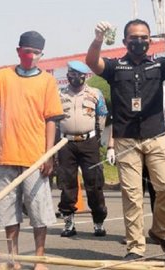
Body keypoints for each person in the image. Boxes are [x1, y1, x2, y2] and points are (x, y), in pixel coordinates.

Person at [86, 19, 165, 260]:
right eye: (134, 38)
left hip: (157, 137)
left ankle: (161, 232)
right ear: (124, 42)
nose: (139, 42)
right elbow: (92, 62)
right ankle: (135, 247)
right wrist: (98, 40)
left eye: (144, 38)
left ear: (150, 41)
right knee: (132, 196)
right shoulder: (115, 67)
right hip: (126, 140)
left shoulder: (158, 65)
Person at [0, 31, 64, 270]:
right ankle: (14, 259)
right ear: (18, 51)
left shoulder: (47, 81)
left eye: (36, 53)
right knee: (9, 212)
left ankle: (39, 259)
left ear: (42, 55)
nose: (31, 56)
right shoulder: (3, 76)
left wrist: (48, 155)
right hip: (5, 155)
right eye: (27, 51)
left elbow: (51, 120)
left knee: (39, 211)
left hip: (35, 158)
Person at [56, 60, 108, 237]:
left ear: (85, 76)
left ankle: (98, 222)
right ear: (68, 74)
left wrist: (98, 139)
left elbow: (102, 116)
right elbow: (54, 120)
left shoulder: (95, 93)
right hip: (66, 144)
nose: (76, 77)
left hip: (89, 142)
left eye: (80, 75)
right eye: (72, 74)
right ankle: (69, 224)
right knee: (67, 183)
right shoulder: (59, 95)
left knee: (94, 183)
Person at [106, 85, 165, 213]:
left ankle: (158, 228)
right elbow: (118, 121)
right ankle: (135, 230)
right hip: (131, 145)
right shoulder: (127, 90)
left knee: (160, 188)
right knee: (134, 191)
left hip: (155, 145)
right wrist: (111, 146)